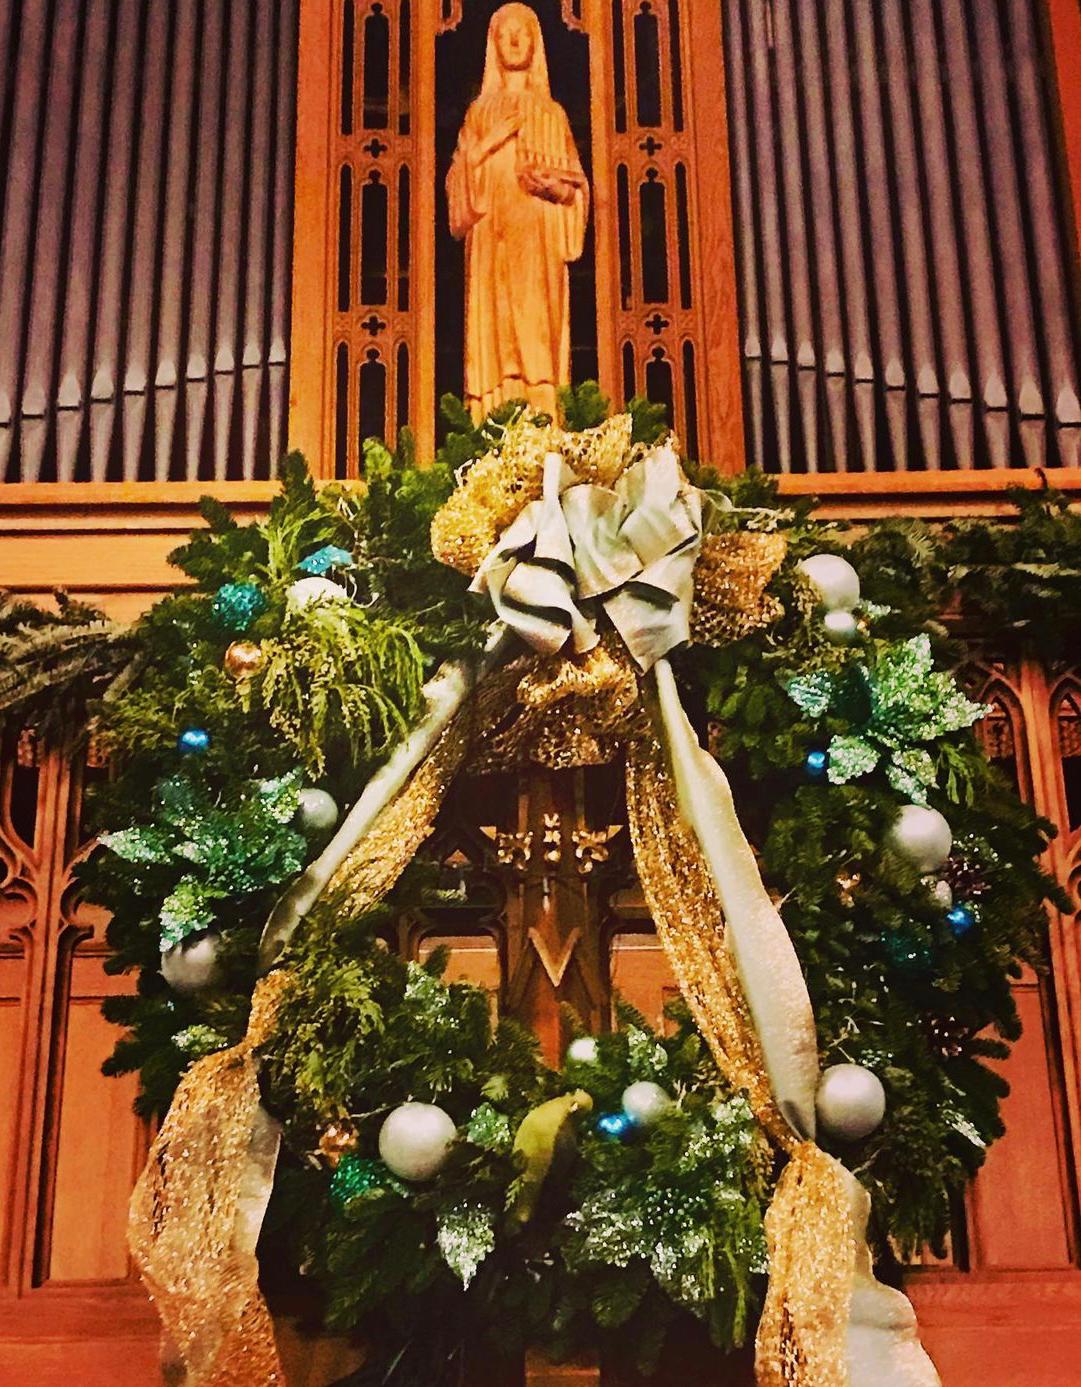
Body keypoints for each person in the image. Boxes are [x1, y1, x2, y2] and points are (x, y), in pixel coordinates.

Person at [447, 3, 589, 420]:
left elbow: (576, 191)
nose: (512, 39)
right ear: (493, 44)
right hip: (492, 242)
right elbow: (456, 193)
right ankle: (493, 419)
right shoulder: (479, 113)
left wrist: (553, 187)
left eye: (521, 31)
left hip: (537, 242)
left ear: (534, 43)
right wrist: (487, 143)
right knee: (496, 335)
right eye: (504, 32)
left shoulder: (552, 115)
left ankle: (543, 418)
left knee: (536, 335)